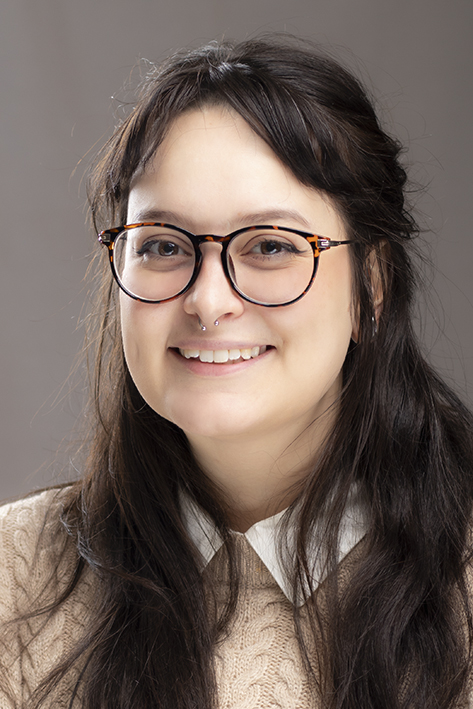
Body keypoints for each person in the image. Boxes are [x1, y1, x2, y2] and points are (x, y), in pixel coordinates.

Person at [1, 35, 472, 709]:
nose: (208, 300)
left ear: (370, 288)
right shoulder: (14, 577)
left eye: (271, 246)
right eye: (163, 245)